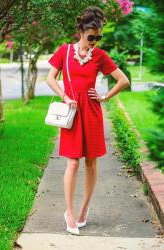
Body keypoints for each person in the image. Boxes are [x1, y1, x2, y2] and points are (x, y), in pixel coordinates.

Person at [47, 6, 130, 235]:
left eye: (99, 36)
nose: (95, 41)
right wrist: (64, 96)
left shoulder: (100, 56)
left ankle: (84, 209)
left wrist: (103, 97)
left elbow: (122, 80)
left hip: (92, 113)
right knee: (72, 162)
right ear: (81, 31)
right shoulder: (64, 51)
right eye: (91, 36)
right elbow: (50, 78)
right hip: (73, 111)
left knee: (91, 162)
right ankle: (70, 213)